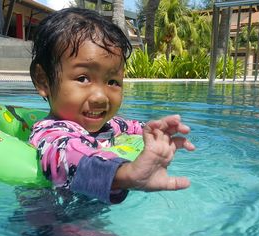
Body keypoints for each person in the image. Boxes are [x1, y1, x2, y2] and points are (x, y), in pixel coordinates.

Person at [28, 7, 195, 205]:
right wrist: (125, 174)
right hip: (54, 217)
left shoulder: (109, 125)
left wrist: (155, 130)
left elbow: (129, 126)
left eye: (112, 82)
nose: (100, 97)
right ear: (43, 81)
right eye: (83, 78)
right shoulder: (51, 134)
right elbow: (67, 155)